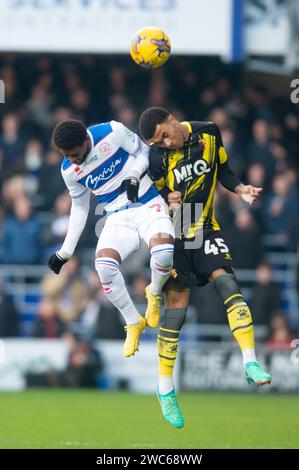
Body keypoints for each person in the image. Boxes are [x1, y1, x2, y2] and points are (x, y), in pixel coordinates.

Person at [138, 106, 272, 429]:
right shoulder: (156, 159)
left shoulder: (209, 132)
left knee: (228, 284)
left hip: (204, 229)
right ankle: (166, 389)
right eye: (158, 142)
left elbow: (222, 169)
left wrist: (241, 190)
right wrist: (162, 200)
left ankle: (250, 362)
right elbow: (148, 197)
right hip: (174, 235)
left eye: (165, 136)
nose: (165, 144)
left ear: (172, 119)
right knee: (177, 314)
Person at [48, 119, 174, 358]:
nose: (72, 160)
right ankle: (132, 321)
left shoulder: (111, 132)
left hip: (147, 202)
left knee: (164, 252)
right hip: (116, 216)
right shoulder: (68, 170)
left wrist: (135, 175)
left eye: (74, 154)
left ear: (87, 140)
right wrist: (65, 251)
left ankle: (154, 292)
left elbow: (144, 151)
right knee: (103, 267)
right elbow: (80, 207)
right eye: (66, 155)